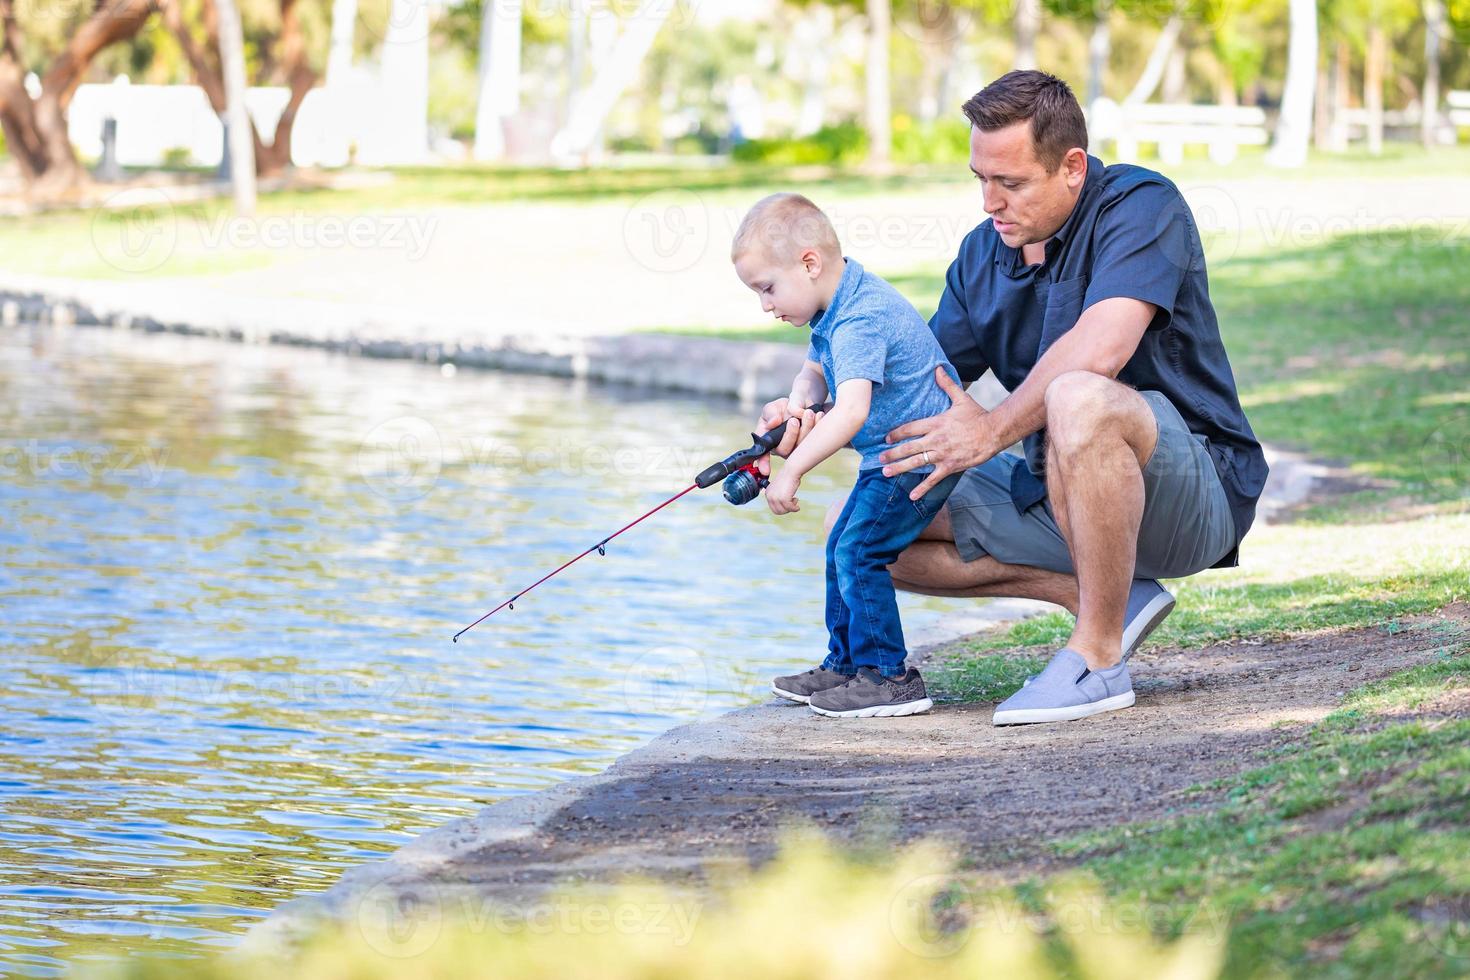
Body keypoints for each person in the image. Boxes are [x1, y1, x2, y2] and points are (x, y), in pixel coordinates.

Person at [758, 71, 1268, 726]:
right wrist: (809, 415)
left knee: (1080, 396)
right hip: (1056, 492)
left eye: (1012, 183)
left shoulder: (1141, 206)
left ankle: (1097, 660)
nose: (990, 201)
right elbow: (916, 383)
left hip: (1193, 493)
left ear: (1072, 168)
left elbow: (1101, 349)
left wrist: (993, 429)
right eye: (981, 179)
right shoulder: (981, 257)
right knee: (860, 522)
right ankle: (1103, 595)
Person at [731, 192, 964, 718]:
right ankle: (845, 664)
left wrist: (793, 471)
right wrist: (795, 407)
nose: (766, 305)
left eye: (768, 289)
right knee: (842, 543)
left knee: (859, 552)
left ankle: (890, 677)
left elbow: (852, 410)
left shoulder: (860, 318)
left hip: (917, 456)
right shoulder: (834, 304)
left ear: (808, 263)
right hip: (890, 457)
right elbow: (815, 372)